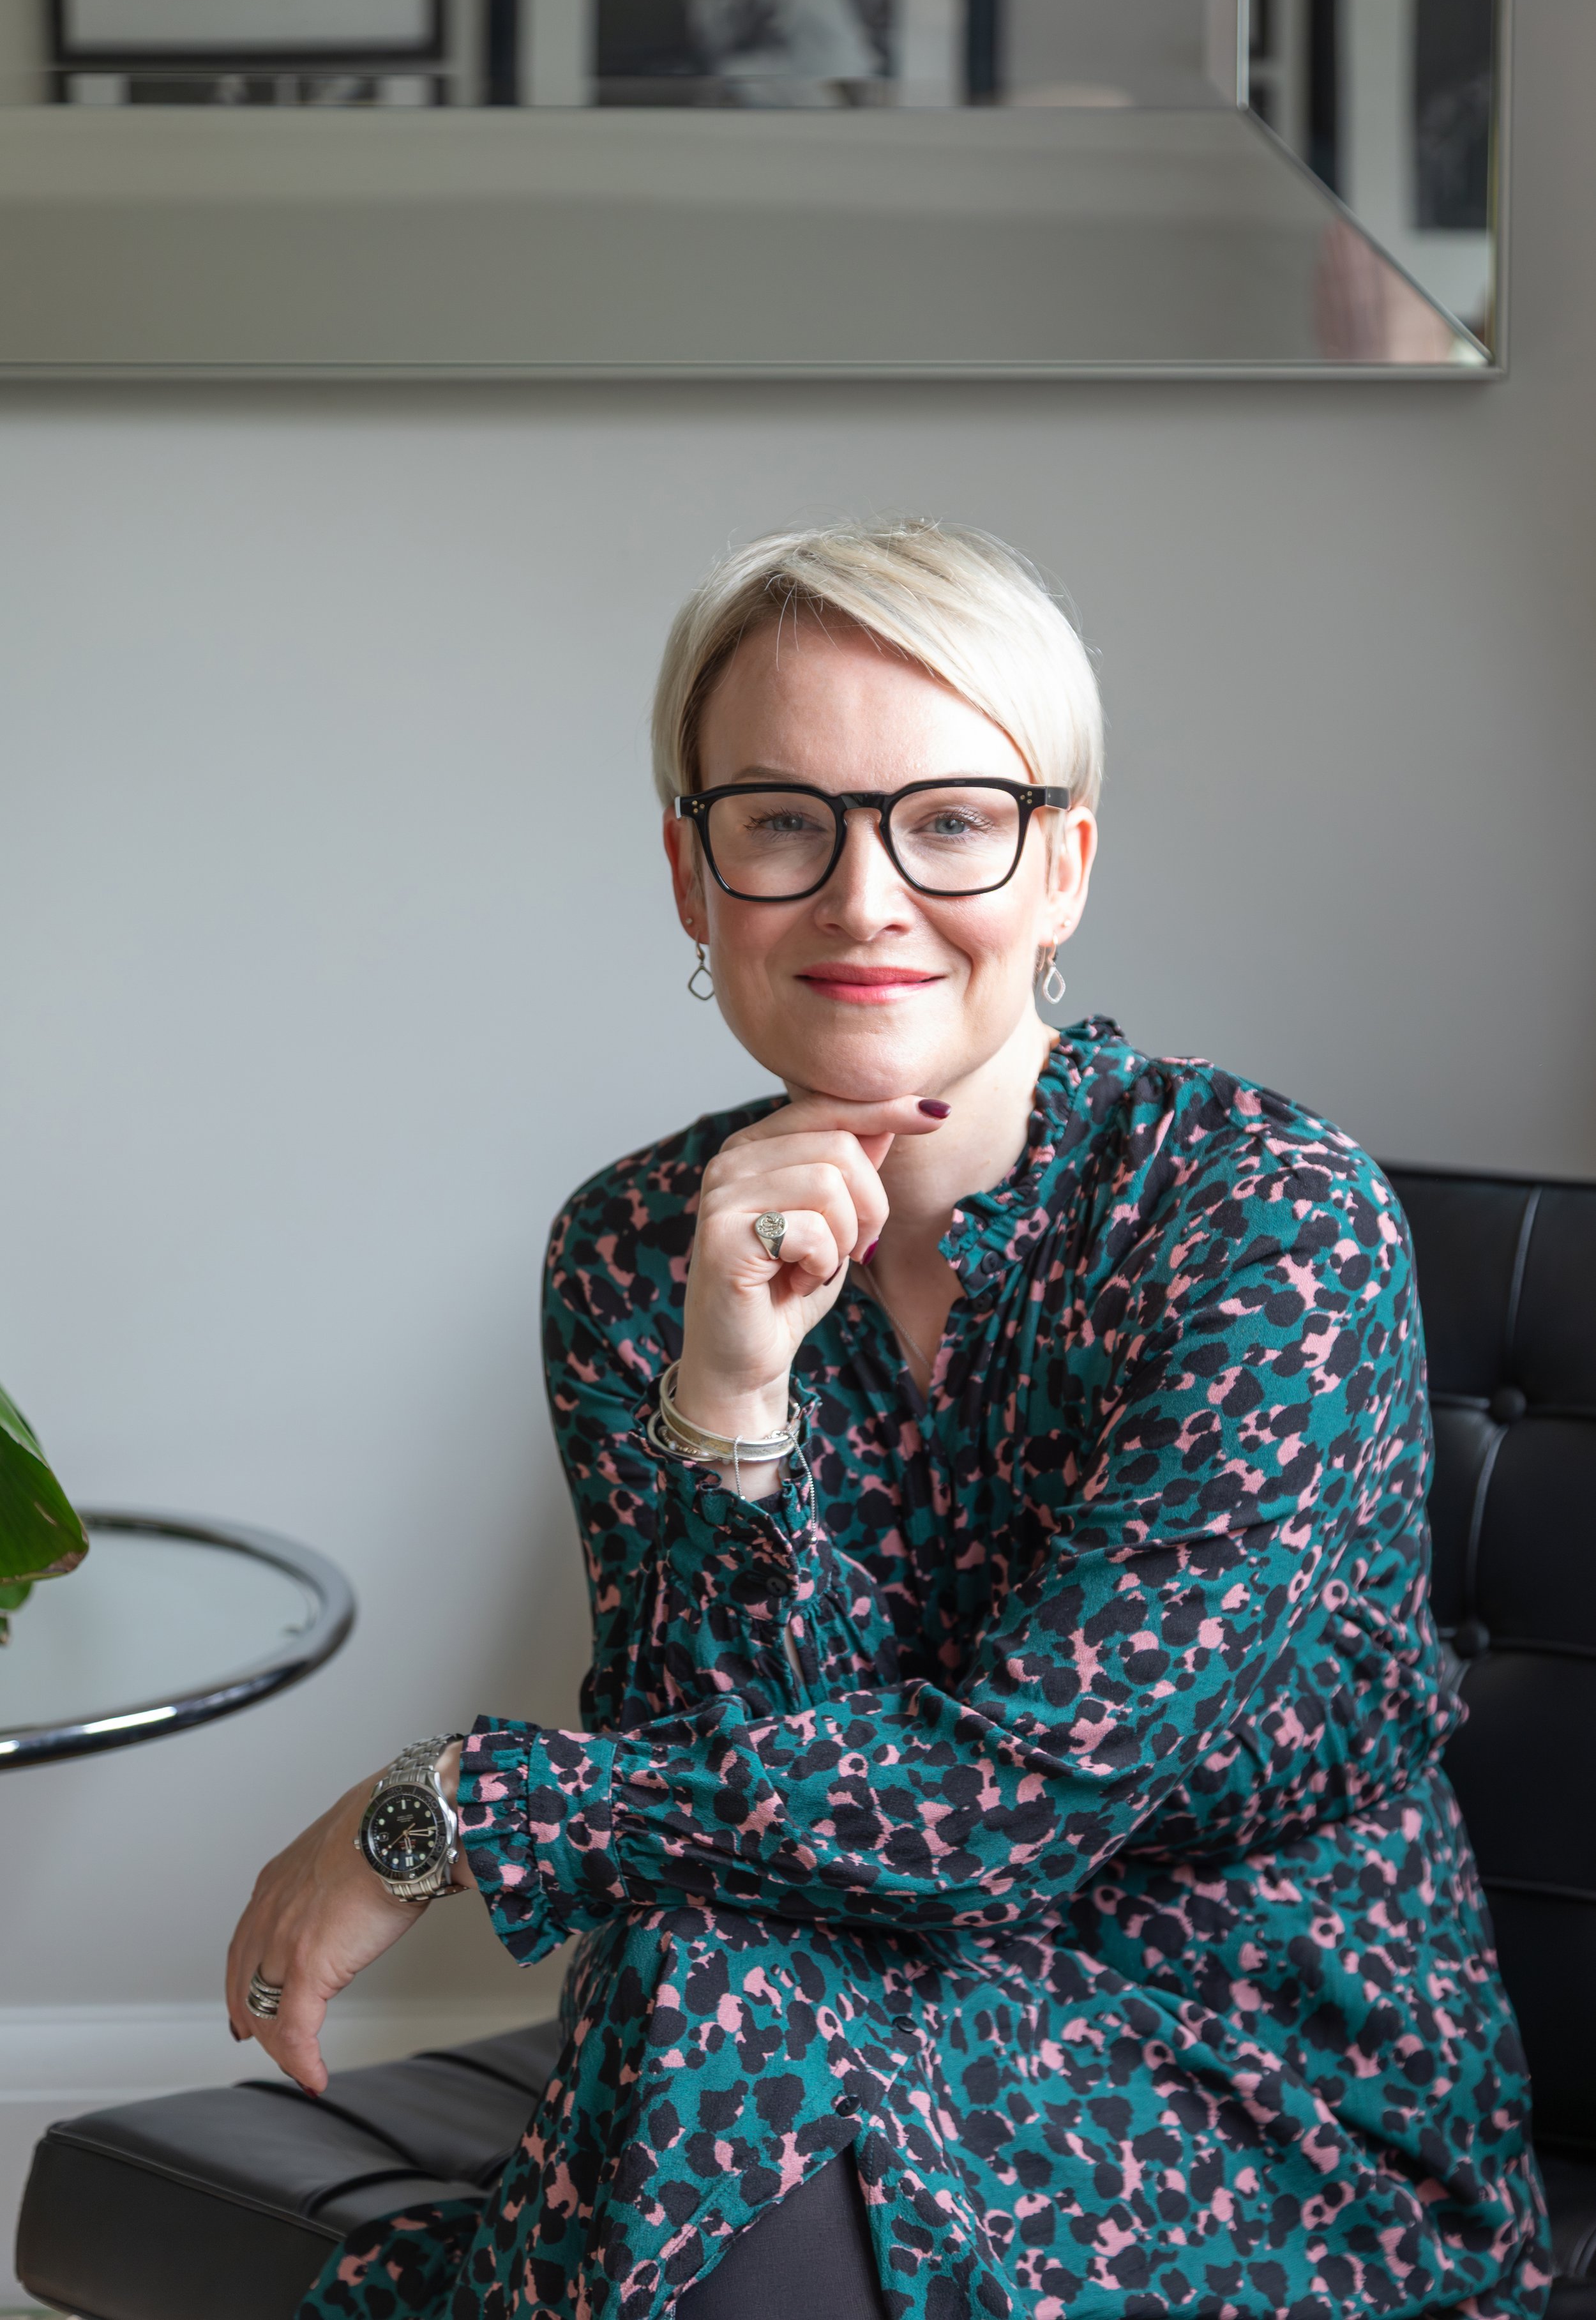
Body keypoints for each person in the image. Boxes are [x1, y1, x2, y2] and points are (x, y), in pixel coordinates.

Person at [229, 522, 1550, 2320]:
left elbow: (1015, 1794)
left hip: (1254, 2073)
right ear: (695, 880)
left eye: (946, 819)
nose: (862, 898)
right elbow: (708, 1772)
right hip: (811, 2009)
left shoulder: (1256, 1211)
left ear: (1061, 865)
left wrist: (460, 1800)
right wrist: (731, 1393)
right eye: (782, 821)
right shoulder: (636, 1242)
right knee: (705, 1970)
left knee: (705, 2002)